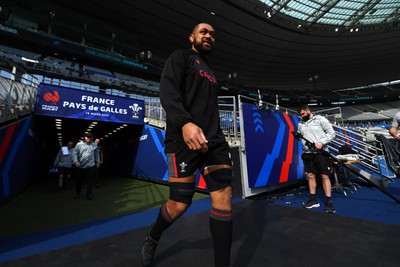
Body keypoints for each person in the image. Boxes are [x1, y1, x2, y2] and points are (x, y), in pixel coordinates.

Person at [140, 22, 233, 267]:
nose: (209, 36)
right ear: (191, 37)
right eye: (204, 32)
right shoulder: (180, 57)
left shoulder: (213, 73)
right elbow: (168, 91)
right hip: (182, 138)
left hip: (213, 141)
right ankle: (154, 234)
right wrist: (185, 123)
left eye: (213, 34)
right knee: (181, 202)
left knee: (223, 194)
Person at [297, 104, 336, 213]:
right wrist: (297, 136)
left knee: (324, 176)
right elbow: (301, 136)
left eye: (303, 114)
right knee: (310, 176)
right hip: (308, 153)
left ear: (308, 110)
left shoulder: (320, 119)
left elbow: (332, 133)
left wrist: (321, 142)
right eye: (300, 115)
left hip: (321, 153)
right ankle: (313, 199)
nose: (301, 116)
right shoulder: (300, 123)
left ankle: (328, 201)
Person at [72, 132, 100, 200]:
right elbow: (74, 153)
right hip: (80, 166)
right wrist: (76, 161)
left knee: (90, 181)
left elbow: (96, 154)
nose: (89, 138)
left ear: (92, 138)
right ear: (85, 137)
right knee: (79, 180)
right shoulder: (79, 144)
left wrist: (98, 162)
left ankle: (89, 194)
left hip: (90, 166)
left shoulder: (94, 145)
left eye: (90, 137)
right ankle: (78, 192)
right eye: (87, 137)